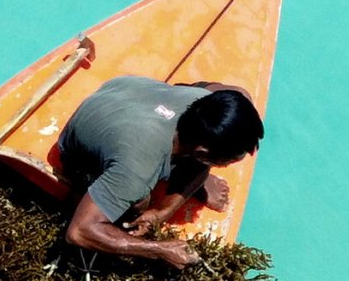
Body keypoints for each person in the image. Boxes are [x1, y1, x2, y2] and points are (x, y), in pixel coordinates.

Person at [56, 75, 263, 268]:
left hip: (127, 90)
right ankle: (193, 176)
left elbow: (239, 93)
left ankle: (196, 178)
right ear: (201, 154)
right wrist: (158, 250)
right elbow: (79, 231)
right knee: (140, 203)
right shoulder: (138, 169)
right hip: (81, 149)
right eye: (229, 161)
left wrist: (161, 213)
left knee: (238, 99)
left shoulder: (204, 100)